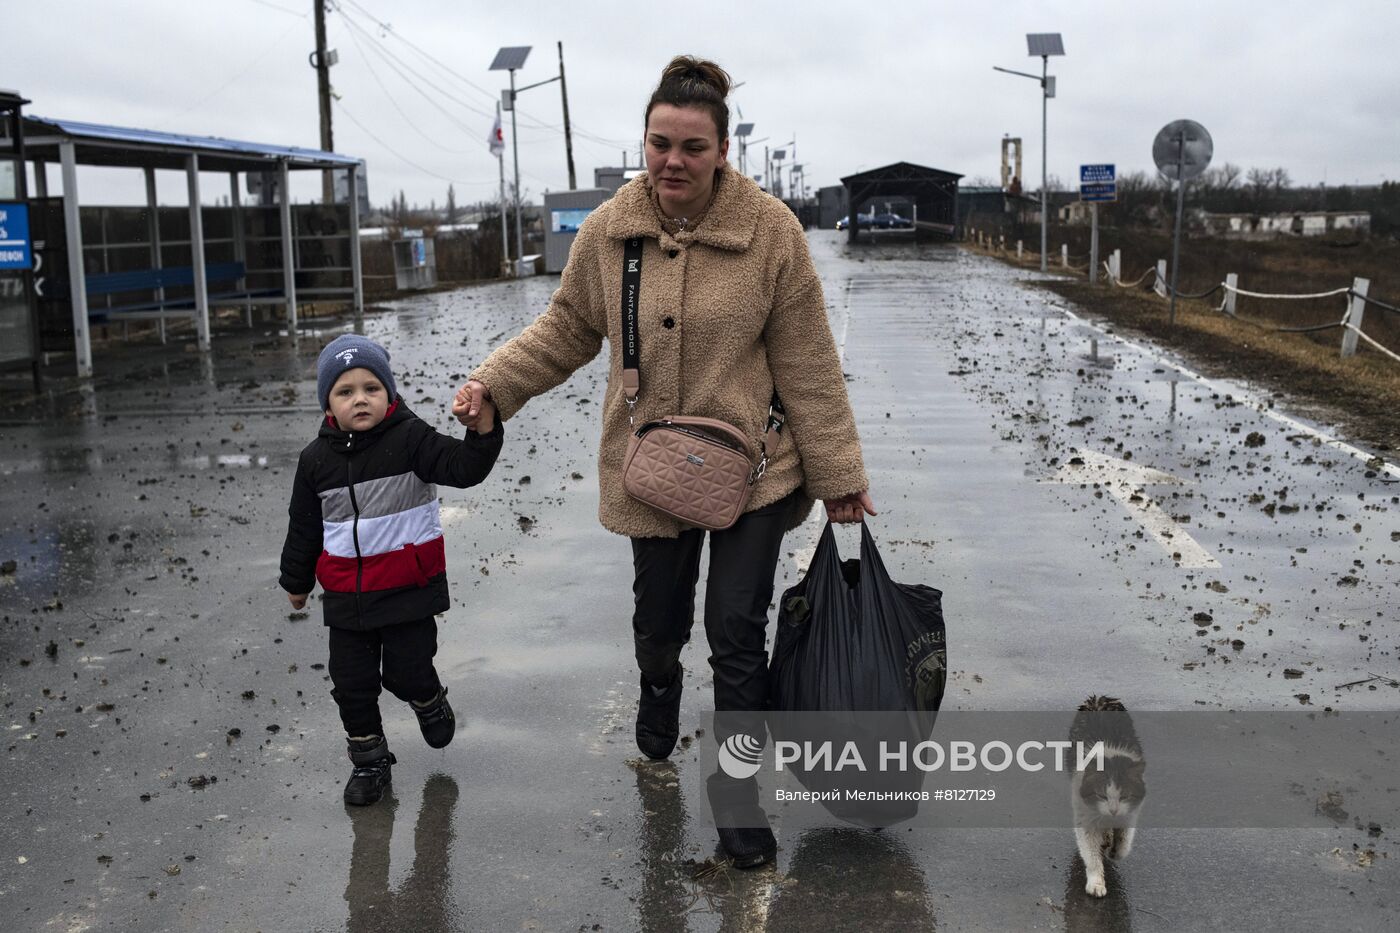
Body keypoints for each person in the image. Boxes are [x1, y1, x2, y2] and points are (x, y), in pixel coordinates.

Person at [456, 55, 874, 865]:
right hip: (652, 470)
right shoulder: (613, 230)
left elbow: (810, 363)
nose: (672, 161)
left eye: (691, 146)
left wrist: (840, 479)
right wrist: (491, 387)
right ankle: (657, 682)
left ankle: (738, 799)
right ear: (643, 143)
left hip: (756, 471)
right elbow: (567, 328)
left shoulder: (772, 234)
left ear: (722, 150)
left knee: (736, 636)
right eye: (659, 143)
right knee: (659, 625)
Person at [279, 334, 503, 806]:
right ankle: (370, 762)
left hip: (407, 592)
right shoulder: (314, 461)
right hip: (346, 599)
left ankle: (428, 698)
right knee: (352, 687)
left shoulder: (411, 439)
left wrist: (482, 432)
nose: (359, 398)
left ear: (389, 393)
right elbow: (304, 527)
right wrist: (296, 582)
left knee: (406, 672)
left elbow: (463, 468)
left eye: (370, 388)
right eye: (345, 391)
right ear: (328, 403)